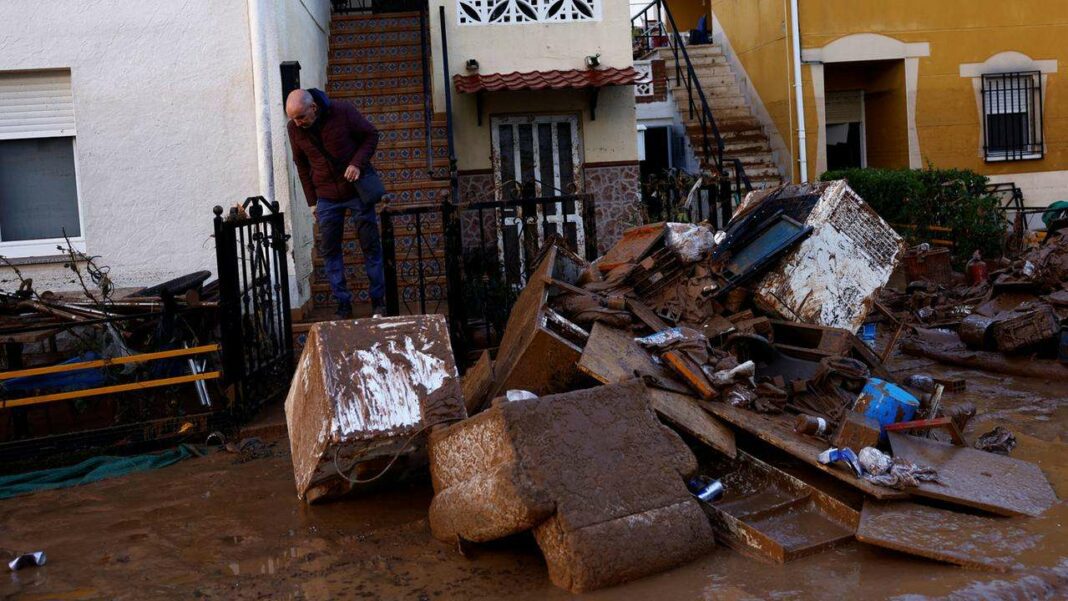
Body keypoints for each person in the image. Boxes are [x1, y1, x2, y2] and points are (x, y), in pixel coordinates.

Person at [286, 88, 386, 318]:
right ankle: (343, 304)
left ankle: (378, 301)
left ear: (313, 108)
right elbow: (301, 165)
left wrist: (357, 163)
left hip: (356, 191)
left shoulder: (342, 111)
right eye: (292, 118)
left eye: (300, 116)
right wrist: (312, 202)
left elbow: (371, 135)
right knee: (331, 252)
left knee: (370, 247)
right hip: (326, 197)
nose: (297, 122)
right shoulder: (294, 129)